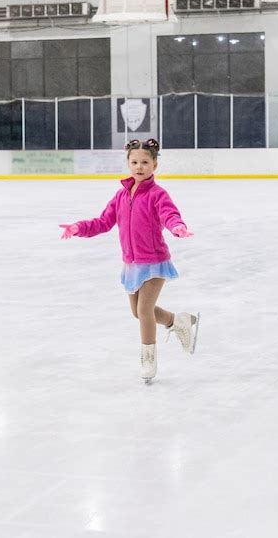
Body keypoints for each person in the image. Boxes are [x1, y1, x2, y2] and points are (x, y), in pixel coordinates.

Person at [59, 138, 199, 383]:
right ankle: (178, 321)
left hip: (154, 261)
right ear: (128, 163)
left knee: (144, 310)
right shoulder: (121, 195)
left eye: (145, 162)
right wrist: (78, 227)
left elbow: (169, 214)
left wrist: (177, 227)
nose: (139, 167)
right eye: (134, 162)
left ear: (155, 165)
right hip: (131, 263)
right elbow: (103, 222)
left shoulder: (158, 194)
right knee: (137, 312)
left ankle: (148, 357)